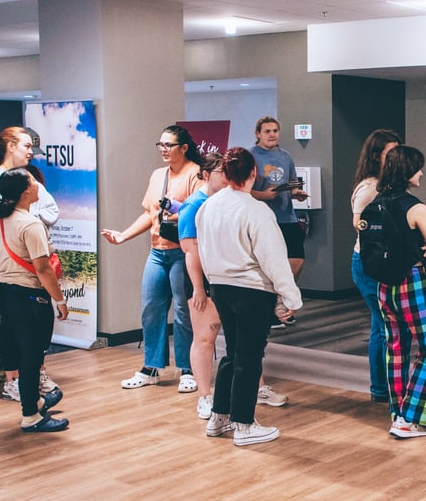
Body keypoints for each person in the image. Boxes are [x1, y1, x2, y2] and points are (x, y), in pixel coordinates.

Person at [196, 147, 302, 446]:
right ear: (253, 174)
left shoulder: (208, 206)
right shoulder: (256, 210)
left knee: (233, 352)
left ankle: (220, 417)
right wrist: (290, 299)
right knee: (250, 356)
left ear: (226, 174)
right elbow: (274, 260)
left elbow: (203, 249)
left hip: (220, 287)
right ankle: (244, 424)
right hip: (252, 291)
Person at [102, 124, 202, 391]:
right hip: (157, 252)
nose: (164, 150)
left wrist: (176, 213)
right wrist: (123, 236)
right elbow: (150, 214)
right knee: (151, 309)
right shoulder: (158, 175)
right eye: (161, 145)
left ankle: (187, 369)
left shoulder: (196, 174)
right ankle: (152, 367)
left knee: (183, 312)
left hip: (183, 252)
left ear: (184, 148)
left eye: (169, 145)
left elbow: (200, 212)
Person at [0, 127, 62, 401]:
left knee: (36, 325)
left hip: (33, 253)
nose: (31, 152)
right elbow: (11, 213)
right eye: (27, 146)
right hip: (11, 260)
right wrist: (31, 216)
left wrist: (30, 212)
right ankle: (12, 377)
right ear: (11, 146)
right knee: (14, 319)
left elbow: (51, 210)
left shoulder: (30, 179)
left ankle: (34, 375)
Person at [373, 145, 426, 439]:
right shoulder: (416, 207)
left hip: (383, 287)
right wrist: (424, 252)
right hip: (413, 283)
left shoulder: (376, 202)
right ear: (407, 172)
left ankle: (398, 413)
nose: (422, 173)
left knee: (396, 351)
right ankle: (412, 420)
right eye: (418, 168)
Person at [0, 168, 69, 432]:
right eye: (33, 182)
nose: (38, 185)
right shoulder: (31, 224)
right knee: (32, 358)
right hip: (29, 297)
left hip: (6, 293)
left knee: (20, 351)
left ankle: (33, 401)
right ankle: (31, 417)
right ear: (26, 191)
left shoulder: (0, 220)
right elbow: (43, 269)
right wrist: (59, 300)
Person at [349, 128, 402, 403]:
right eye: (389, 153)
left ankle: (381, 387)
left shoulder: (385, 185)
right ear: (376, 156)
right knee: (385, 326)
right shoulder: (370, 188)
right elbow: (359, 223)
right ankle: (382, 388)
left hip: (378, 263)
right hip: (368, 264)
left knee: (379, 325)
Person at [249, 116, 309, 327]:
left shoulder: (285, 156)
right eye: (267, 131)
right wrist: (263, 195)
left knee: (297, 259)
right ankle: (273, 308)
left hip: (287, 216)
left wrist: (297, 193)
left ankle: (281, 300)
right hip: (264, 218)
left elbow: (291, 185)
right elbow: (244, 189)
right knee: (269, 264)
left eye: (275, 130)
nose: (272, 134)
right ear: (258, 134)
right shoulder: (251, 156)